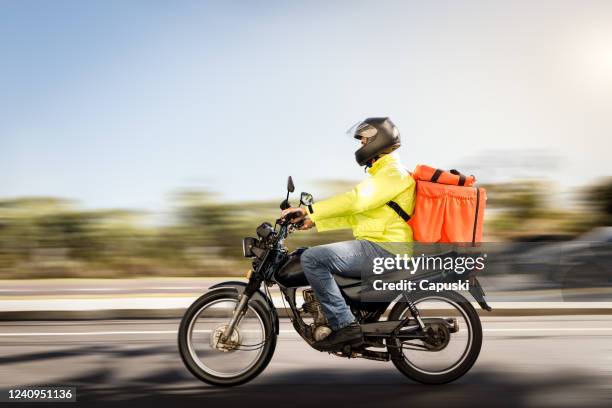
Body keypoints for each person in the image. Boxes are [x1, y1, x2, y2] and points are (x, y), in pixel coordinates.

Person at [280, 117, 416, 351]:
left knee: (312, 258)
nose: (361, 145)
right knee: (312, 255)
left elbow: (355, 200)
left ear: (378, 140)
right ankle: (344, 316)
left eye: (364, 140)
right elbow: (356, 215)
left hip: (386, 249)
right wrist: (314, 221)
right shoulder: (384, 175)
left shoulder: (392, 173)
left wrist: (308, 209)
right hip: (379, 246)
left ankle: (345, 325)